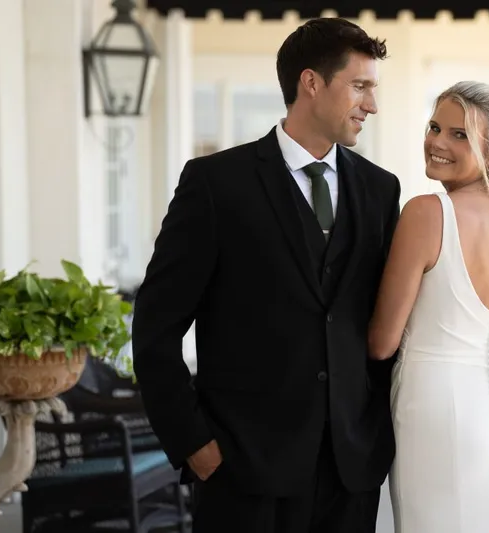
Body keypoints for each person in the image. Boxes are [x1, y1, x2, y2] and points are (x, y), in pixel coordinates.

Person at [131, 17, 401, 533]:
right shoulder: (215, 184)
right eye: (360, 86)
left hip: (349, 472)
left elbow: (383, 322)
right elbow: (154, 326)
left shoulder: (380, 190)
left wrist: (376, 436)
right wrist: (194, 444)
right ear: (311, 83)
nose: (371, 104)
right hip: (241, 471)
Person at [368, 81, 489, 533]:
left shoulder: (426, 213)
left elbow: (381, 342)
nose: (436, 141)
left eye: (459, 135)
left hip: (440, 412)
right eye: (435, 126)